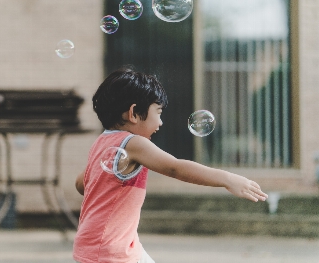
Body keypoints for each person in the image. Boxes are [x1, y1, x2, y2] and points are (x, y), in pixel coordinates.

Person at [73, 68, 268, 263]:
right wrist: (227, 179)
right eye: (158, 112)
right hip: (109, 251)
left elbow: (81, 184)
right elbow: (175, 168)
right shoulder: (134, 143)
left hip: (104, 243)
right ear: (133, 113)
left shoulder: (101, 142)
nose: (161, 122)